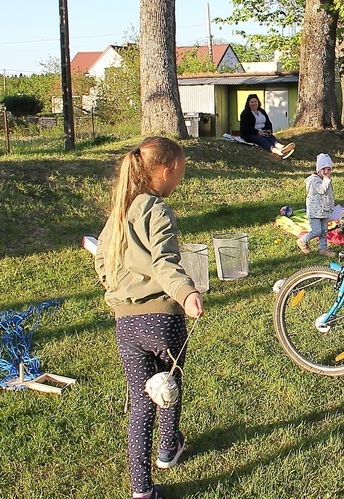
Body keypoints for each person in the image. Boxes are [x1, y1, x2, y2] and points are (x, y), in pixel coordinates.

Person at [94, 137, 204, 499]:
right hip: (163, 318)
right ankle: (167, 448)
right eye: (181, 172)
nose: (181, 178)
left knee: (141, 402)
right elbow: (164, 263)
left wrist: (114, 288)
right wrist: (186, 293)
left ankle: (141, 490)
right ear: (166, 170)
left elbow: (101, 261)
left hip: (126, 323)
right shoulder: (156, 210)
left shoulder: (118, 211)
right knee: (169, 388)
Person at [297, 153, 336, 257]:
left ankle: (323, 248)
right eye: (324, 169)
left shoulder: (324, 180)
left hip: (324, 210)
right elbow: (321, 190)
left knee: (324, 231)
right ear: (318, 169)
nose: (326, 172)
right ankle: (302, 241)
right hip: (315, 211)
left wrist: (331, 206)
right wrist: (327, 180)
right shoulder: (313, 180)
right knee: (316, 231)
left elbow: (329, 194)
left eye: (329, 169)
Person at [239, 94, 295, 159]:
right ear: (248, 103)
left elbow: (268, 122)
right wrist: (258, 132)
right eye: (251, 102)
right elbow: (245, 127)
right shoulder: (245, 113)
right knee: (262, 140)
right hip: (251, 134)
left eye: (255, 102)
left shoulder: (262, 111)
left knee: (271, 137)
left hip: (263, 131)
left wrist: (268, 130)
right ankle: (278, 152)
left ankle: (283, 147)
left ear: (258, 102)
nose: (254, 104)